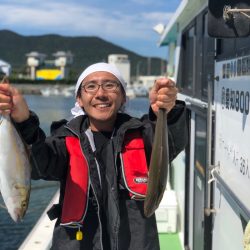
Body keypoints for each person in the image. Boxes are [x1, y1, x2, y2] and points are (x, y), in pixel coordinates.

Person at [0, 62, 188, 250]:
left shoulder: (144, 136)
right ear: (79, 99)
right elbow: (39, 163)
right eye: (90, 86)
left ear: (123, 97)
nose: (100, 93)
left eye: (110, 85)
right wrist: (23, 120)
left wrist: (167, 112)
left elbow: (170, 141)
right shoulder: (64, 141)